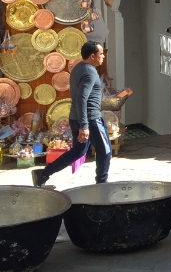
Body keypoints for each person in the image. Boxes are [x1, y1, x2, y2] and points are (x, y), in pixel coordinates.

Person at [32, 41, 112, 186]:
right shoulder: (89, 73)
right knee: (105, 151)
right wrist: (85, 126)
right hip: (90, 119)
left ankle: (43, 174)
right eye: (101, 54)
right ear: (93, 56)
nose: (103, 57)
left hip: (77, 118)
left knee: (78, 151)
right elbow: (82, 99)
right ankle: (102, 183)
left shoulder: (79, 67)